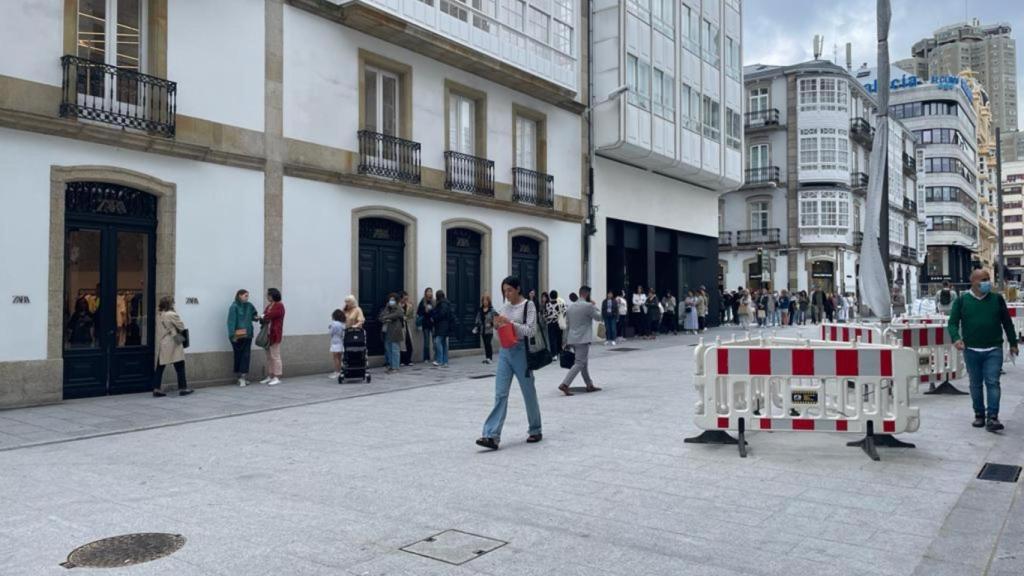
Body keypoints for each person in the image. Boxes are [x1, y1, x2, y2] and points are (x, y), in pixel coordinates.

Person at [476, 276, 543, 450]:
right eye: (504, 291)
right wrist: (498, 327)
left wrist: (511, 324)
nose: (507, 294)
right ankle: (491, 435)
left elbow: (531, 330)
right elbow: (500, 334)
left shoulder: (529, 305)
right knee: (500, 393)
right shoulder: (505, 307)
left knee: (528, 391)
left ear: (518, 289)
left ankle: (535, 429)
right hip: (506, 352)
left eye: (509, 290)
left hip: (522, 351)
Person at [948, 269, 1019, 431]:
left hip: (994, 348)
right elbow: (952, 323)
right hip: (971, 350)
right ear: (973, 282)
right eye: (983, 280)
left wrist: (1013, 343)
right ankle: (979, 414)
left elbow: (1007, 322)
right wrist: (956, 338)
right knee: (975, 383)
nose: (987, 282)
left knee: (993, 382)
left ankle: (992, 417)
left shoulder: (997, 299)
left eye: (988, 279)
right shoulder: (962, 301)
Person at [558, 285, 603, 396]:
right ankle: (565, 384)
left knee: (583, 363)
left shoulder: (570, 308)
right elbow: (599, 317)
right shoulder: (588, 306)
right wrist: (595, 306)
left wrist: (565, 340)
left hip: (572, 338)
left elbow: (567, 326)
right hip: (583, 339)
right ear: (587, 294)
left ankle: (589, 384)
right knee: (579, 363)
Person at [153, 296, 192, 397]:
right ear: (170, 304)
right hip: (173, 340)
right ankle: (183, 388)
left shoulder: (159, 314)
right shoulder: (172, 314)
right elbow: (181, 327)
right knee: (180, 365)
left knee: (160, 366)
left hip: (163, 341)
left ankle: (156, 388)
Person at [226, 289, 259, 387]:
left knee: (246, 355)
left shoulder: (249, 305)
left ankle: (243, 377)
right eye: (245, 295)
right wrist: (232, 335)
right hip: (238, 334)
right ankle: (240, 377)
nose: (247, 297)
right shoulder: (234, 307)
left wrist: (257, 318)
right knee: (239, 355)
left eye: (247, 296)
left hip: (248, 334)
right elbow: (231, 322)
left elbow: (254, 315)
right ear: (239, 295)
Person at [260, 288, 285, 386]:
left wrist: (263, 316)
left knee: (275, 356)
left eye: (268, 295)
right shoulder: (269, 305)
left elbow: (269, 315)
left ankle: (277, 376)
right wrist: (263, 317)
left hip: (275, 334)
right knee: (269, 357)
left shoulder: (279, 305)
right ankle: (270, 375)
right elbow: (264, 315)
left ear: (273, 295)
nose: (267, 296)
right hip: (268, 334)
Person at [379, 293, 405, 373]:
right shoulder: (387, 308)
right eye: (390, 300)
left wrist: (387, 317)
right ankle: (391, 365)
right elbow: (381, 316)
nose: (391, 301)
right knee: (388, 349)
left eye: (393, 300)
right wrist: (385, 318)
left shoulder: (398, 308)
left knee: (395, 349)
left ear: (396, 301)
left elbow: (399, 314)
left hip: (395, 331)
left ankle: (396, 367)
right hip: (386, 330)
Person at [432, 290, 454, 368]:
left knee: (438, 341)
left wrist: (434, 317)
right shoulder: (446, 303)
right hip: (445, 326)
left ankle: (440, 360)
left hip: (442, 326)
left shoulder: (442, 304)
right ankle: (445, 362)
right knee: (444, 343)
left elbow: (441, 314)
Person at [474, 293, 497, 364]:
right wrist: (476, 326)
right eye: (483, 300)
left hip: (489, 330)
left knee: (488, 343)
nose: (485, 302)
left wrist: (491, 324)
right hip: (482, 330)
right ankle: (487, 358)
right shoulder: (480, 310)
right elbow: (477, 319)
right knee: (485, 344)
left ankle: (490, 358)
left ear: (489, 301)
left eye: (486, 300)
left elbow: (497, 318)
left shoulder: (492, 310)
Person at [545, 290, 567, 355]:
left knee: (552, 338)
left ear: (550, 296)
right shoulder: (561, 304)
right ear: (557, 296)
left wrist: (548, 319)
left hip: (550, 323)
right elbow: (565, 312)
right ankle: (559, 351)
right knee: (559, 337)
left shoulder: (547, 305)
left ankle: (554, 354)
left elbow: (545, 314)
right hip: (559, 323)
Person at [416, 288, 434, 363]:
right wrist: (425, 311)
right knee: (426, 342)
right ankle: (426, 358)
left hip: (433, 323)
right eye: (428, 292)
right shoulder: (423, 301)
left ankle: (436, 356)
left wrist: (432, 312)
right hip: (425, 323)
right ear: (425, 293)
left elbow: (436, 311)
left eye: (430, 292)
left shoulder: (434, 301)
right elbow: (419, 312)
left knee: (435, 341)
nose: (429, 293)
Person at [400, 291, 415, 366]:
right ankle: (402, 360)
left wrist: (407, 317)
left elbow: (411, 316)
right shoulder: (397, 305)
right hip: (400, 326)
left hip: (407, 325)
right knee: (401, 344)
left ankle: (408, 360)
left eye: (407, 298)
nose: (406, 300)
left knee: (409, 342)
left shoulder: (409, 306)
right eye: (404, 298)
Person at [328, 309, 345, 379]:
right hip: (341, 341)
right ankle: (340, 371)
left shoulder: (333, 324)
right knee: (340, 358)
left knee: (335, 358)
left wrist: (330, 328)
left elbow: (331, 333)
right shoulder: (342, 324)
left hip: (335, 342)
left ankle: (337, 372)